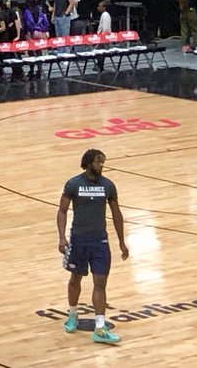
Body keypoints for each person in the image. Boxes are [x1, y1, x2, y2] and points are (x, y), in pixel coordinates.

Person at [57, 148, 129, 345]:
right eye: (99, 162)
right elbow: (62, 211)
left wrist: (122, 241)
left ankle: (99, 326)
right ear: (88, 162)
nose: (102, 165)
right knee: (75, 279)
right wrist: (62, 237)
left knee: (100, 282)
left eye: (103, 162)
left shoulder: (108, 186)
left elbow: (116, 214)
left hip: (100, 242)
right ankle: (72, 314)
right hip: (79, 239)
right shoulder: (73, 184)